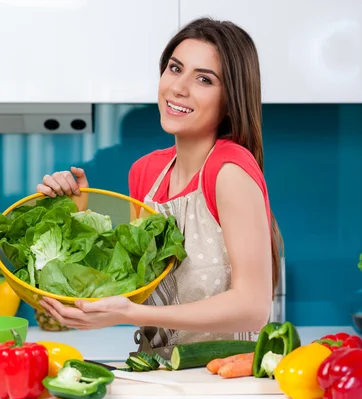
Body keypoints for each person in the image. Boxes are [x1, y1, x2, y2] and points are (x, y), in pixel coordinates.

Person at [37, 17, 284, 354]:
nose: (178, 87)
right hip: (156, 369)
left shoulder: (229, 171)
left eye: (204, 79)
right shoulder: (145, 172)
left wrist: (131, 314)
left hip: (225, 377)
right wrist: (76, 214)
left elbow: (254, 309)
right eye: (174, 68)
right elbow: (139, 279)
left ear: (230, 99)